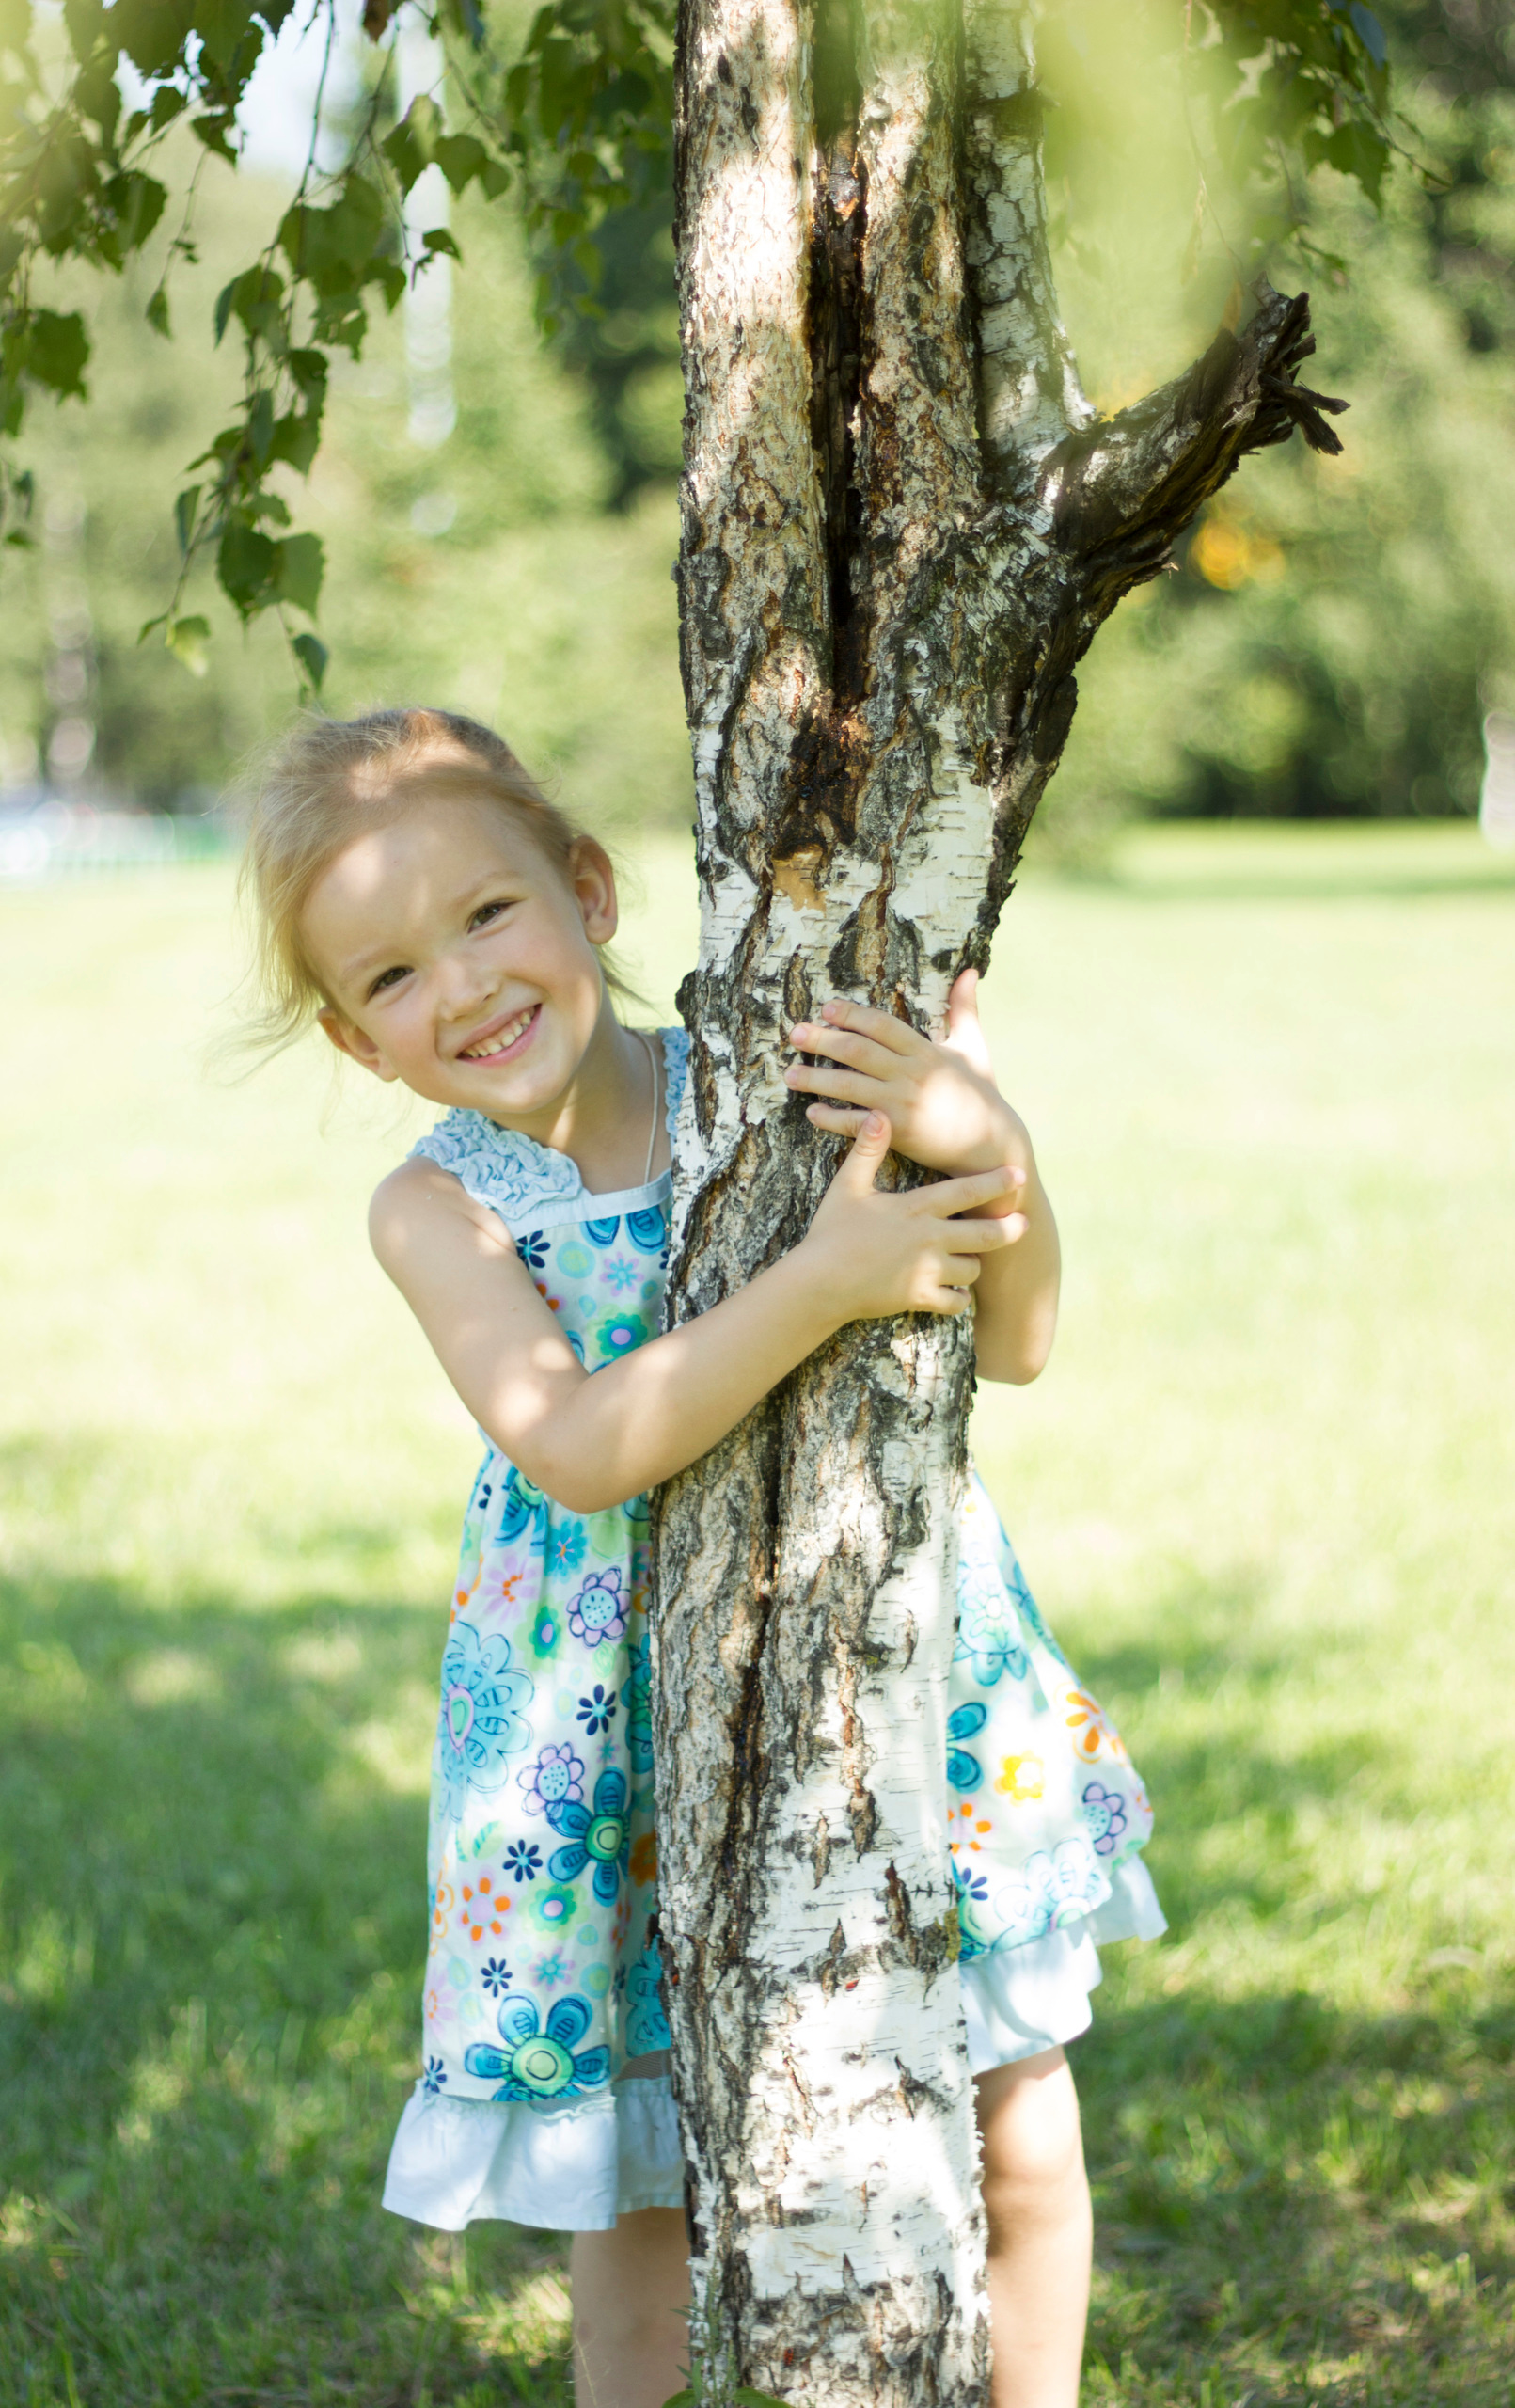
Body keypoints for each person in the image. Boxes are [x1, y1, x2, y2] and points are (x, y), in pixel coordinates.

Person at [239, 705, 1165, 2408]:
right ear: (357, 1044)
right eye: (385, 979)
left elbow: (1013, 1341)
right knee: (643, 2222)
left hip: (884, 1664)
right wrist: (818, 1281)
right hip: (607, 1730)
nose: (457, 989)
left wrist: (994, 1145)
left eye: (486, 915)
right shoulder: (440, 1206)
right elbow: (581, 1447)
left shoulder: (757, 1080)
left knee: (1018, 2119)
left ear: (587, 889)